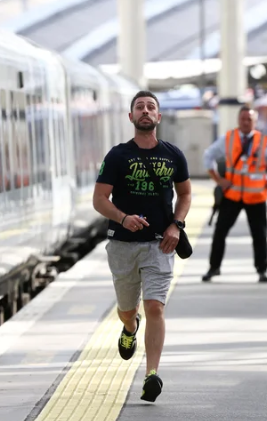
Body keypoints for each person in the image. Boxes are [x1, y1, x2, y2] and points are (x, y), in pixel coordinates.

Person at [92, 90, 191, 403]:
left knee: (155, 307)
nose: (145, 111)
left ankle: (151, 374)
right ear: (131, 117)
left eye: (151, 107)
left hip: (159, 244)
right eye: (140, 107)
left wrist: (176, 225)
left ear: (159, 117)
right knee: (128, 310)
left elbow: (185, 194)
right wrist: (122, 218)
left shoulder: (173, 154)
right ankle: (129, 328)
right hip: (122, 245)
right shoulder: (118, 156)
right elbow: (99, 200)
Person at [201, 104, 267, 283]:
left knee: (259, 235)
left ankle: (262, 270)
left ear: (255, 122)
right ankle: (214, 268)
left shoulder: (264, 141)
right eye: (243, 119)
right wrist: (219, 180)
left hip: (256, 196)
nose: (245, 122)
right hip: (232, 195)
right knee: (220, 232)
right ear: (238, 120)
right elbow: (208, 156)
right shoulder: (228, 139)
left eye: (249, 119)